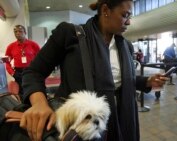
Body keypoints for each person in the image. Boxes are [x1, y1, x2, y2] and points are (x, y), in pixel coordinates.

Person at [20, 0, 167, 141]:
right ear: (105, 10)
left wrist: (147, 81)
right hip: (81, 127)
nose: (129, 22)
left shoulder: (126, 46)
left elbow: (121, 81)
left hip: (122, 123)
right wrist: (39, 104)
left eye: (130, 16)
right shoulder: (70, 34)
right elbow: (33, 72)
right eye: (125, 15)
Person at [5, 25, 40, 98]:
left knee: (33, 91)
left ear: (25, 32)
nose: (17, 33)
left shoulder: (33, 45)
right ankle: (23, 107)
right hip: (18, 73)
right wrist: (12, 72)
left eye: (20, 31)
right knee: (21, 93)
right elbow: (7, 62)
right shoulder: (11, 46)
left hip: (31, 71)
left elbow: (40, 59)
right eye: (15, 32)